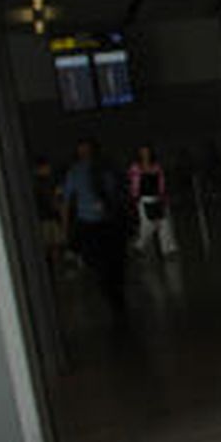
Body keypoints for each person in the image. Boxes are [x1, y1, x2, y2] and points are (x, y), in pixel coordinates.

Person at [61, 137, 129, 319]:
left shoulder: (75, 171)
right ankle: (115, 294)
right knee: (111, 262)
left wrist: (66, 228)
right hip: (104, 222)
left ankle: (112, 293)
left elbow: (67, 202)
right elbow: (116, 193)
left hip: (93, 223)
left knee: (101, 263)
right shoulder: (104, 168)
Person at [128, 143, 180, 259]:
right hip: (143, 199)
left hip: (157, 198)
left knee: (165, 224)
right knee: (148, 224)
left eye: (147, 152)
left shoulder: (156, 167)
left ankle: (168, 250)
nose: (145, 154)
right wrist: (134, 197)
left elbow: (161, 183)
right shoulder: (135, 167)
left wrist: (163, 196)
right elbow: (133, 184)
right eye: (142, 152)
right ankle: (139, 246)